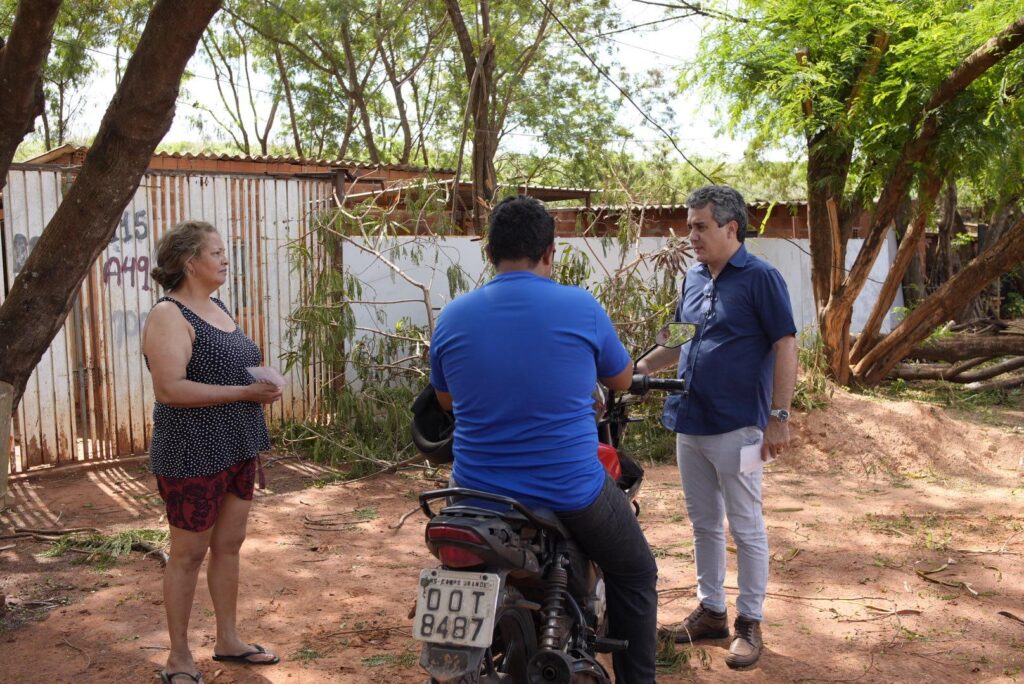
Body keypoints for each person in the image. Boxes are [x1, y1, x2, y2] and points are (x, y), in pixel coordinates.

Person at [428, 195, 658, 683]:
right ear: (551, 252)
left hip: (474, 495)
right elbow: (620, 379)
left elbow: (446, 403)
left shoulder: (452, 316)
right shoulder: (579, 306)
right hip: (568, 490)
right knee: (635, 572)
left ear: (489, 253)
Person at [637, 185, 797, 669]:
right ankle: (711, 612)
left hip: (742, 429)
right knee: (703, 522)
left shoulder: (762, 279)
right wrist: (633, 371)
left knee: (745, 523)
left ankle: (749, 622)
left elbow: (785, 346)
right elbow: (679, 336)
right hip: (692, 423)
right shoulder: (694, 277)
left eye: (700, 226)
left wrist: (779, 416)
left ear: (731, 228)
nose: (691, 236)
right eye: (689, 227)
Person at [143, 220, 282, 684]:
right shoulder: (169, 314)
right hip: (192, 450)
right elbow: (170, 389)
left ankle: (228, 639)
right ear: (190, 262)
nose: (225, 259)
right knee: (188, 554)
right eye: (216, 252)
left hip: (238, 444)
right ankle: (179, 657)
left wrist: (258, 387)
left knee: (229, 545)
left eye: (225, 252)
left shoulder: (217, 306)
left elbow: (226, 371)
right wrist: (245, 393)